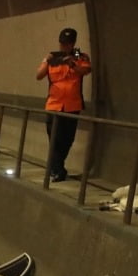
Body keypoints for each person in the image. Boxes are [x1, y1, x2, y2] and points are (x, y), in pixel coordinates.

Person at [36, 27, 92, 182]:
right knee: (55, 139)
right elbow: (39, 75)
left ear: (73, 44)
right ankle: (58, 171)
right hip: (54, 106)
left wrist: (72, 64)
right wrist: (47, 61)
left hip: (72, 106)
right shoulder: (52, 57)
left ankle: (56, 169)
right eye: (62, 44)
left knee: (68, 140)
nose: (64, 47)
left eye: (67, 44)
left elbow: (86, 70)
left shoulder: (80, 56)